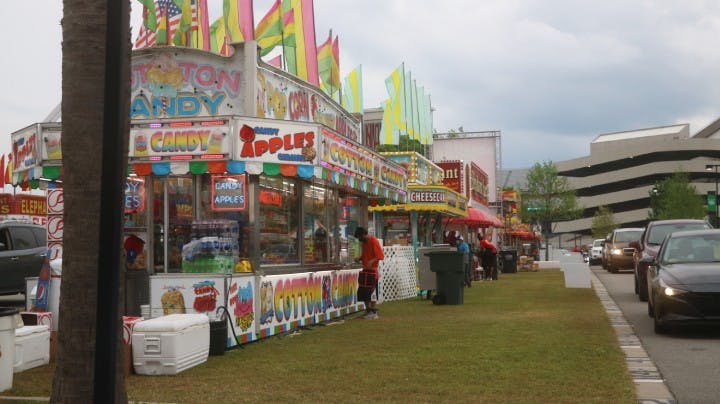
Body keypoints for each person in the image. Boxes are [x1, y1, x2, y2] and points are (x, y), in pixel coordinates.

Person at [354, 226, 384, 319]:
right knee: (363, 292)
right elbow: (365, 255)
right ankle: (368, 311)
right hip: (365, 270)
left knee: (370, 292)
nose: (359, 239)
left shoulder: (373, 241)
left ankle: (373, 312)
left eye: (359, 237)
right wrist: (359, 258)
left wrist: (371, 261)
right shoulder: (364, 243)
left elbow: (380, 256)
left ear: (363, 234)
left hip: (373, 272)